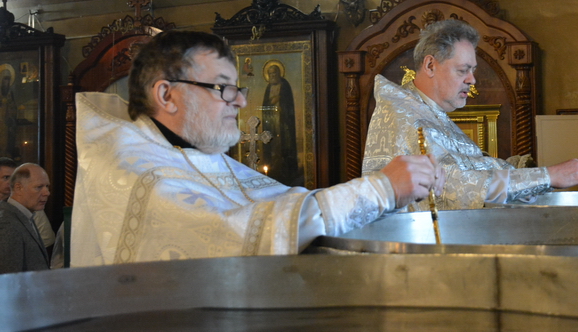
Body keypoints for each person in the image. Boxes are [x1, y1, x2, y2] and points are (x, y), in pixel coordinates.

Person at [71, 31, 441, 266]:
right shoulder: (132, 169)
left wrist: (392, 197)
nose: (240, 102)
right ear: (167, 95)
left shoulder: (193, 154)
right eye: (222, 88)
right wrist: (380, 189)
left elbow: (285, 208)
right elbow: (239, 235)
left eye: (238, 88)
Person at [362, 19, 578, 210]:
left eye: (473, 70)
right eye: (462, 70)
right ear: (430, 65)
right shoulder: (403, 116)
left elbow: (475, 169)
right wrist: (550, 176)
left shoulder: (428, 111)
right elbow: (457, 186)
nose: (472, 80)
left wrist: (544, 175)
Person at [0, 163, 51, 273]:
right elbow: (9, 277)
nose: (47, 193)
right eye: (39, 187)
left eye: (47, 186)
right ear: (18, 188)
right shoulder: (7, 224)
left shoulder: (25, 215)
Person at [0, 156, 56, 250]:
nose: (11, 182)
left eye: (13, 178)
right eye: (6, 177)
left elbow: (47, 239)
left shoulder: (31, 205)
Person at [261, 63, 300, 186]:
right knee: (272, 144)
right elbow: (265, 105)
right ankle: (272, 166)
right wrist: (271, 103)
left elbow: (288, 103)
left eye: (274, 73)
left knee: (284, 143)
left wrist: (280, 99)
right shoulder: (268, 88)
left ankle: (286, 169)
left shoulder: (285, 85)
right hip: (271, 121)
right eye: (270, 73)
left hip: (283, 122)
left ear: (279, 73)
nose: (273, 75)